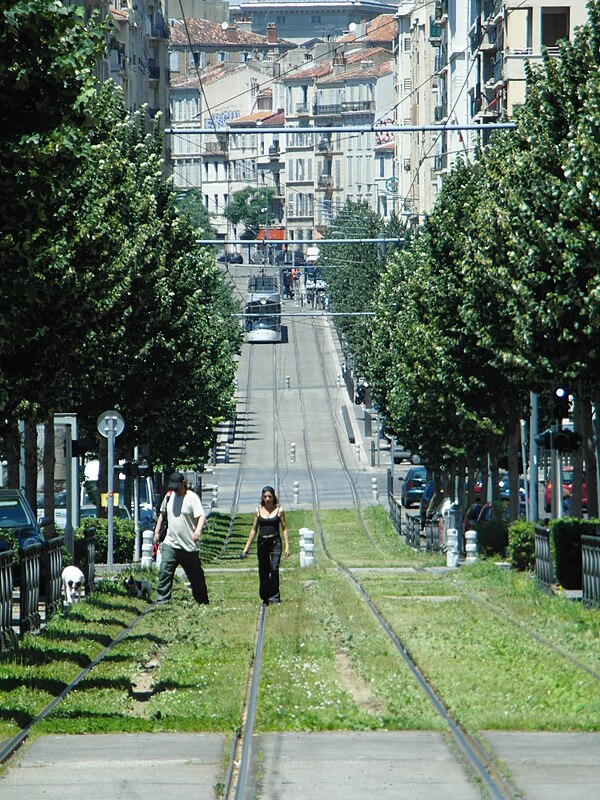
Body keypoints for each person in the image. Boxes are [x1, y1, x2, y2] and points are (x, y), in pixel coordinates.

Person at [153, 472, 209, 605]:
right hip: (170, 543)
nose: (175, 490)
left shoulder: (192, 498)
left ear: (184, 483)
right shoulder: (169, 496)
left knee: (196, 577)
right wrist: (156, 532)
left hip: (189, 546)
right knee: (164, 572)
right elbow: (162, 514)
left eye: (177, 487)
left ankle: (202, 600)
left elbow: (201, 516)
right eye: (173, 487)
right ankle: (162, 600)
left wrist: (198, 530)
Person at [241, 486, 289, 606]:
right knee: (263, 570)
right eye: (265, 497)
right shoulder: (258, 511)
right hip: (262, 543)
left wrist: (287, 546)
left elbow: (284, 529)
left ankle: (274, 596)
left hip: (275, 543)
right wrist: (246, 548)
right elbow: (253, 530)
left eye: (270, 497)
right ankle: (265, 596)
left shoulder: (279, 511)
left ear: (274, 497)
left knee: (274, 568)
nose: (267, 499)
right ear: (262, 498)